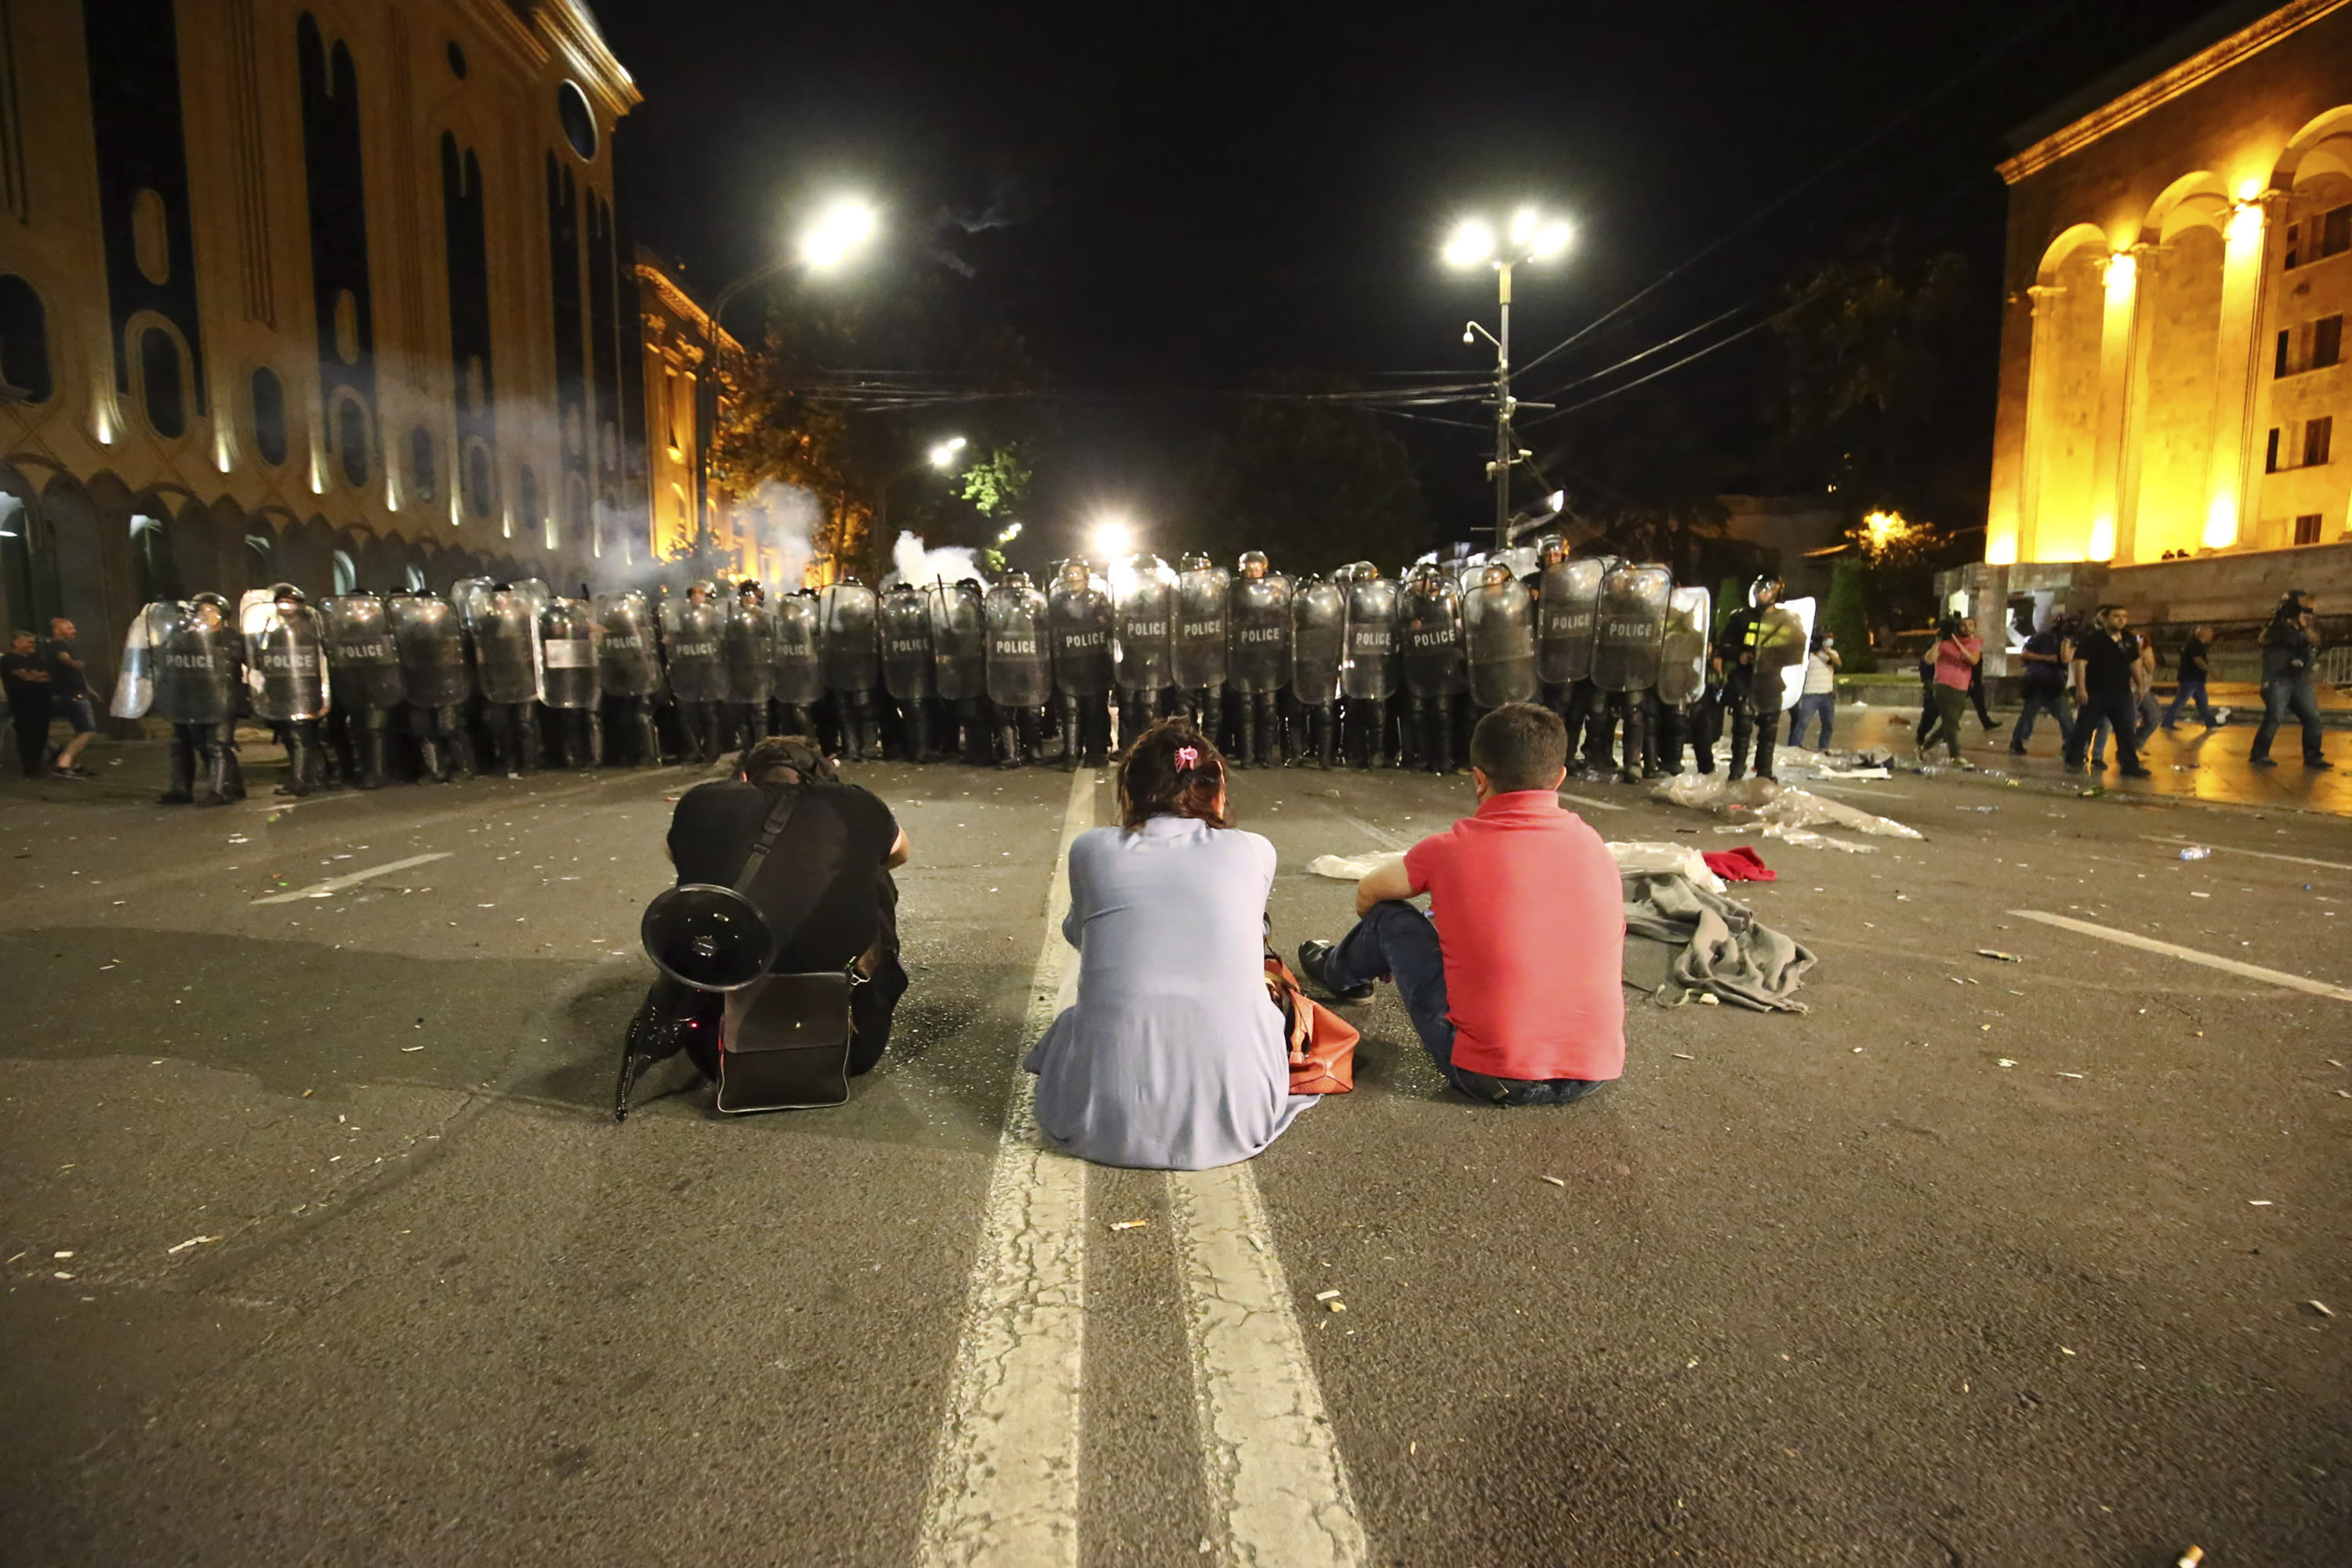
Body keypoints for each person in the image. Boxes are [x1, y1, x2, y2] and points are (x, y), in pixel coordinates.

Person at [1298, 702, 1624, 1107]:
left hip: (1489, 1075)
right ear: (1559, 778)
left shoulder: (1451, 848)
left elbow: (1369, 892)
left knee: (1390, 918)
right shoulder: (1594, 846)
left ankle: (1341, 973)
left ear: (1479, 779)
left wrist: (1401, 949)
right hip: (1592, 1072)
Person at [1025, 720, 1313, 1168]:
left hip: (1101, 1122)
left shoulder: (1092, 849)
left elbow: (1079, 935)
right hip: (1239, 1118)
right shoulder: (1255, 850)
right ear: (1215, 791)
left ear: (1130, 793)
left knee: (1074, 1008)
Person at [630, 735, 912, 1083]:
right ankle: (861, 989)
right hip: (851, 1045)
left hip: (717, 1052)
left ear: (746, 777)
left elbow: (678, 856)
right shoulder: (855, 803)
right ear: (822, 776)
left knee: (698, 891)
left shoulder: (703, 800)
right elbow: (899, 854)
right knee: (876, 878)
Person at [2063, 604, 2152, 778]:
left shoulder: (2128, 638)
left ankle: (2129, 765)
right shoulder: (2092, 639)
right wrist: (2081, 689)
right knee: (2084, 727)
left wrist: (2140, 686)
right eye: (2116, 616)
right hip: (2097, 691)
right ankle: (2073, 760)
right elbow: (2081, 664)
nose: (2121, 620)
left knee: (2126, 730)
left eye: (2124, 617)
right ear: (2105, 619)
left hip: (2122, 692)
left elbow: (2135, 662)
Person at [2248, 593, 2331, 771]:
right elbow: (2264, 639)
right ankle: (2259, 754)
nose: (2310, 616)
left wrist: (2305, 632)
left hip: (2299, 681)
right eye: (2306, 611)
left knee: (2313, 717)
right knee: (2274, 717)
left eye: (2312, 612)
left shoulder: (2304, 631)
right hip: (2278, 680)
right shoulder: (2277, 628)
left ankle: (2313, 756)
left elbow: (2316, 645)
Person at [1918, 614, 1980, 768]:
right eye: (1963, 625)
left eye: (1970, 625)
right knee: (1951, 723)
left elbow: (1973, 660)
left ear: (1974, 628)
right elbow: (1928, 660)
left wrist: (1959, 645)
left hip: (1961, 687)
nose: (1966, 628)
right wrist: (1938, 642)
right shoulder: (1945, 644)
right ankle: (1956, 756)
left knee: (1950, 723)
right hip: (1944, 686)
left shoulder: (1974, 643)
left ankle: (1925, 746)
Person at [2009, 617, 2074, 756]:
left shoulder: (2071, 641)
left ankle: (2071, 743)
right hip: (2037, 681)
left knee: (2064, 715)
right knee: (2029, 714)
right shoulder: (2042, 638)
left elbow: (2065, 659)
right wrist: (2048, 659)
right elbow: (2025, 654)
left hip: (2055, 683)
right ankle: (2018, 741)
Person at [42, 619, 95, 777]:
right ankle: (63, 764)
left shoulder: (60, 645)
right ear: (58, 629)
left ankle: (74, 764)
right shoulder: (59, 645)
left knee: (79, 730)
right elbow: (63, 657)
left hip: (71, 693)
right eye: (70, 628)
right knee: (87, 730)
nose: (74, 631)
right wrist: (71, 662)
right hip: (71, 695)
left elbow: (76, 672)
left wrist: (89, 689)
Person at [2, 629, 51, 778]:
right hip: (22, 704)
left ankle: (36, 765)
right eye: (29, 642)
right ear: (17, 642)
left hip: (42, 702)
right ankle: (29, 768)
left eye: (33, 642)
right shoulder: (8, 659)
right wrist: (34, 677)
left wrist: (33, 677)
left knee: (41, 734)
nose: (33, 645)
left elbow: (45, 676)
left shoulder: (37, 659)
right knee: (27, 734)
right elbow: (25, 677)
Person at [2162, 624, 2222, 731]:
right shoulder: (2195, 644)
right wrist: (2211, 672)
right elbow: (2198, 660)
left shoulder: (2196, 644)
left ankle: (2211, 723)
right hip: (2191, 679)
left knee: (2202, 702)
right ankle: (2167, 722)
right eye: (2210, 632)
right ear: (2203, 633)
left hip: (2195, 679)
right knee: (2181, 701)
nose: (2212, 635)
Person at [1788, 631, 1839, 751]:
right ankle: (1795, 746)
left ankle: (1823, 748)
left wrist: (1826, 652)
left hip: (1827, 694)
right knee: (1803, 722)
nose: (1829, 641)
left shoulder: (1833, 653)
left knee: (1828, 724)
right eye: (1827, 638)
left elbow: (1838, 663)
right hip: (1811, 694)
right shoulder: (1809, 656)